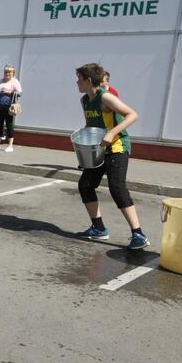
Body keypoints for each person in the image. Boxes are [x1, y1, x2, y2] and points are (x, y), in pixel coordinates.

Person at [73, 63, 149, 250]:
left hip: (117, 147)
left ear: (89, 80)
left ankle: (138, 234)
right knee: (85, 185)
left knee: (117, 187)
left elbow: (132, 115)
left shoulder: (105, 97)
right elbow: (90, 124)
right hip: (98, 149)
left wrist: (111, 133)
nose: (77, 82)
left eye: (79, 79)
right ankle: (98, 228)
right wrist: (83, 142)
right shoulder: (85, 100)